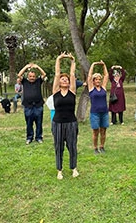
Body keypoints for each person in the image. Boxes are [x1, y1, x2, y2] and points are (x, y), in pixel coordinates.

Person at [52, 52, 79, 180]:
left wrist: (73, 61)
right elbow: (57, 74)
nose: (64, 80)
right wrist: (59, 58)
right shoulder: (55, 92)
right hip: (57, 123)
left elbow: (72, 74)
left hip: (71, 123)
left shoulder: (72, 91)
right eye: (62, 79)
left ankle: (74, 168)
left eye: (66, 79)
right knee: (59, 146)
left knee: (72, 145)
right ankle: (59, 170)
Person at [17, 62, 47, 144]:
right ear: (28, 77)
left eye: (33, 76)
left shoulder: (38, 81)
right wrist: (26, 67)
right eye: (30, 76)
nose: (32, 78)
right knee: (29, 123)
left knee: (39, 123)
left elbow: (44, 74)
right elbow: (19, 75)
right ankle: (29, 138)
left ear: (35, 77)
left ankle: (39, 137)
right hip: (28, 106)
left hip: (38, 105)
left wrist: (37, 67)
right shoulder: (25, 82)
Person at [88, 61, 110, 154]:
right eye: (96, 79)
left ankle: (102, 146)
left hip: (104, 112)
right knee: (95, 131)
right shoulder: (91, 88)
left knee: (103, 131)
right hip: (95, 113)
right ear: (93, 81)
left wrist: (104, 65)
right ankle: (95, 148)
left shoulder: (103, 88)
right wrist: (93, 65)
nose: (98, 81)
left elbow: (106, 76)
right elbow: (89, 77)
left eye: (99, 79)